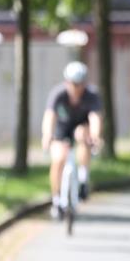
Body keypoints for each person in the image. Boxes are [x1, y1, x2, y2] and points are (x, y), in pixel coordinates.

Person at [41, 61, 103, 220]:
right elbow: (49, 117)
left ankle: (83, 179)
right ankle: (56, 200)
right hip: (62, 129)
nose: (76, 88)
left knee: (83, 135)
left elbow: (95, 118)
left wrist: (95, 136)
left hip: (81, 127)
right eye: (73, 84)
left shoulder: (91, 95)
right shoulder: (58, 95)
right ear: (66, 82)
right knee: (58, 159)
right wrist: (47, 136)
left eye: (80, 84)